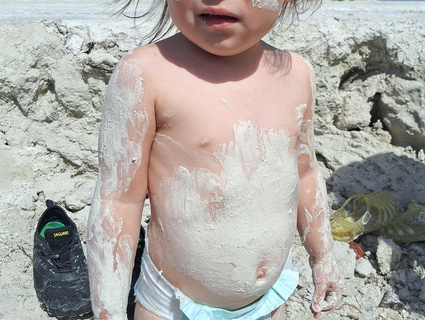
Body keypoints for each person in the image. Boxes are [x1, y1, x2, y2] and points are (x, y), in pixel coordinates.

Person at [87, 0, 343, 318]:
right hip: (172, 305)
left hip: (269, 300)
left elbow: (304, 173)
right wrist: (108, 311)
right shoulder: (146, 73)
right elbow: (118, 200)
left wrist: (323, 257)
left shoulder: (296, 73)